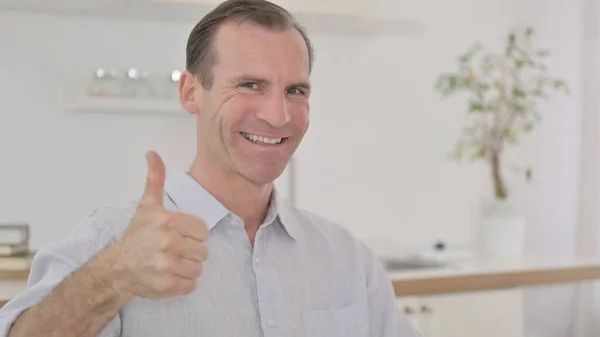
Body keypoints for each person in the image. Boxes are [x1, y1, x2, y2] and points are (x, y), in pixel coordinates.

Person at [0, 0, 419, 336]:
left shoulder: (346, 259)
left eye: (295, 90)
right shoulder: (111, 241)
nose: (278, 115)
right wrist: (115, 276)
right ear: (190, 93)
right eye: (249, 85)